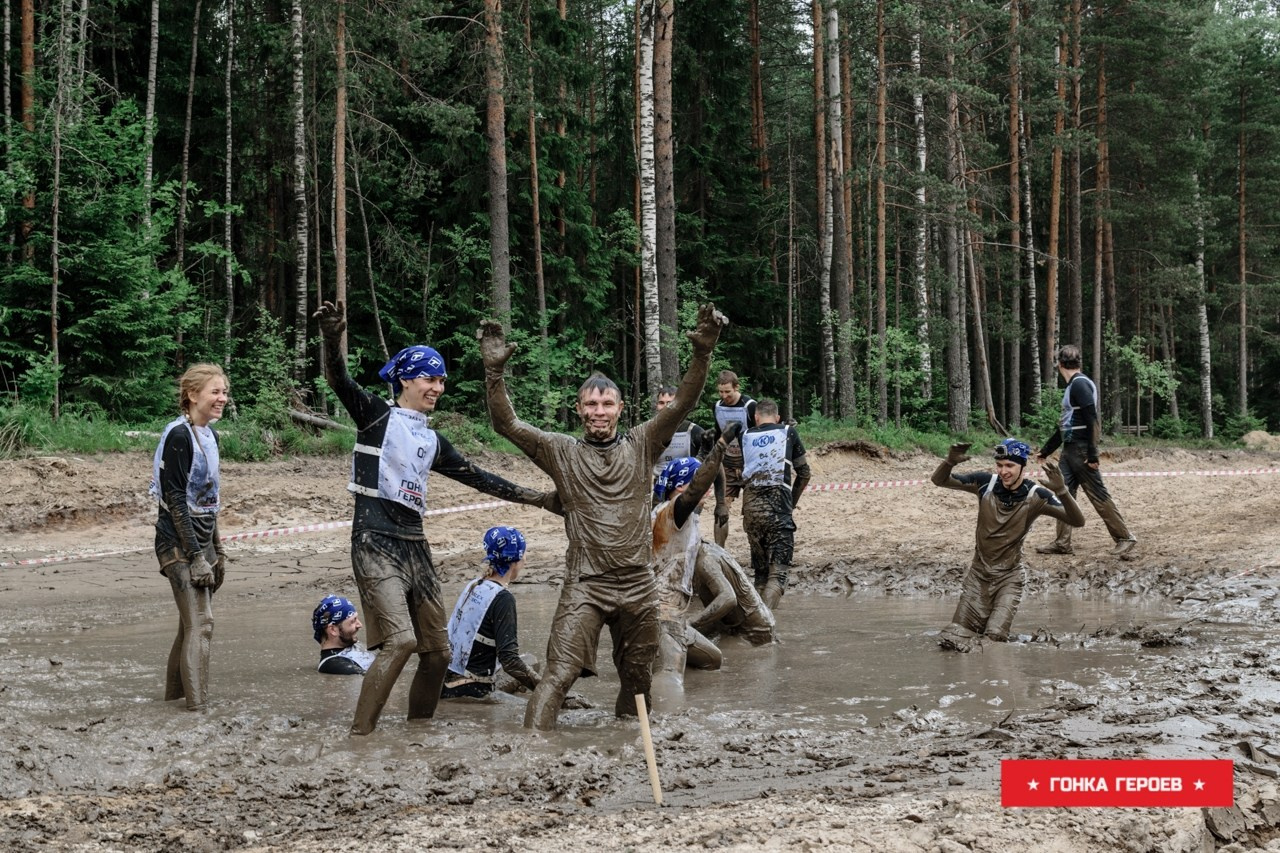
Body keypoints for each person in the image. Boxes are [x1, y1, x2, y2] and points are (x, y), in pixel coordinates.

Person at [477, 303, 725, 730]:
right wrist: (494, 374)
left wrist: (702, 354)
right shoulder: (561, 450)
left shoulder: (644, 442)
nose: (598, 411)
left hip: (637, 583)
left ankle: (627, 747)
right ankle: (532, 756)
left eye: (606, 403)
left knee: (638, 680)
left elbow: (684, 403)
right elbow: (507, 424)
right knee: (558, 674)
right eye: (590, 404)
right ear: (578, 409)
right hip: (585, 584)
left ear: (620, 408)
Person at [314, 299, 554, 735]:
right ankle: (360, 737)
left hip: (416, 547)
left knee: (439, 653)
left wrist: (541, 499)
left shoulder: (432, 439)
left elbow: (479, 478)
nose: (438, 386)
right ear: (405, 379)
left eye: (442, 379)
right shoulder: (374, 415)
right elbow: (338, 379)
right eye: (429, 377)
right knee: (401, 641)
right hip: (374, 543)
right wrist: (333, 338)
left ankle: (417, 734)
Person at [931, 438, 1086, 651]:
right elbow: (939, 480)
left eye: (1010, 466)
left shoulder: (1036, 495)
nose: (1004, 471)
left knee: (994, 640)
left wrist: (1062, 492)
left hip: (1008, 579)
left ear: (1022, 466)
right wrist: (949, 462)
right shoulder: (985, 483)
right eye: (1000, 465)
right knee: (952, 636)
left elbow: (1078, 521)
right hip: (978, 576)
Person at [150, 362, 229, 711]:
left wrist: (219, 550)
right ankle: (198, 712)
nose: (222, 398)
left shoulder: (210, 435)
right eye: (215, 391)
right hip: (176, 540)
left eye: (224, 392)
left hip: (202, 538)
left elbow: (210, 501)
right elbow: (176, 500)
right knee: (203, 624)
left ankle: (173, 703)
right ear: (192, 395)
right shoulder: (179, 436)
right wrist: (196, 557)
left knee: (188, 628)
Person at [650, 430, 737, 688]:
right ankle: (669, 725)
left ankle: (654, 656)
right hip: (663, 611)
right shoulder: (676, 511)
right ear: (680, 486)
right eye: (700, 482)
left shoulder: (672, 512)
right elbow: (692, 494)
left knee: (713, 659)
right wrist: (720, 447)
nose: (708, 489)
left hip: (672, 611)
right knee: (669, 678)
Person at [1035, 344, 1139, 558]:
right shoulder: (1074, 385)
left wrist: (1093, 455)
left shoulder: (1080, 385)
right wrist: (1046, 450)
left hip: (1081, 451)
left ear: (1060, 365)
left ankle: (1125, 538)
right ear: (1078, 363)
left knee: (1098, 495)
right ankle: (1062, 543)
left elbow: (1093, 420)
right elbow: (1064, 425)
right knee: (1063, 494)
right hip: (1070, 450)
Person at [441, 526, 541, 699]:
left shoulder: (474, 584)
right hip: (472, 690)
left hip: (444, 681)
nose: (526, 558)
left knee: (531, 661)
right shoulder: (503, 599)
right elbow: (509, 661)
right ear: (515, 560)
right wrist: (553, 694)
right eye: (524, 553)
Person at [739, 398, 811, 610]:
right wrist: (791, 503)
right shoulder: (788, 431)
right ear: (777, 417)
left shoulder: (745, 435)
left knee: (761, 576)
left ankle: (752, 620)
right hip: (778, 510)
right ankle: (764, 624)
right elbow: (804, 473)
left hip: (751, 512)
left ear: (756, 418)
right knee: (778, 576)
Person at [689, 540, 776, 646]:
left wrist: (691, 622)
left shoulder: (705, 561)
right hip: (734, 625)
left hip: (752, 633)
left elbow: (728, 598)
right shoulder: (702, 550)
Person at [708, 370, 757, 547]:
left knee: (752, 512)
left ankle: (756, 552)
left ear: (737, 387)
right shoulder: (717, 406)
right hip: (727, 463)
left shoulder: (750, 406)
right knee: (721, 509)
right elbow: (717, 433)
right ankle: (719, 550)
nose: (724, 395)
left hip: (749, 464)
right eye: (721, 391)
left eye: (728, 391)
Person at [314, 594, 377, 675]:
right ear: (333, 630)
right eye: (353, 621)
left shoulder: (351, 643)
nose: (360, 625)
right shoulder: (333, 664)